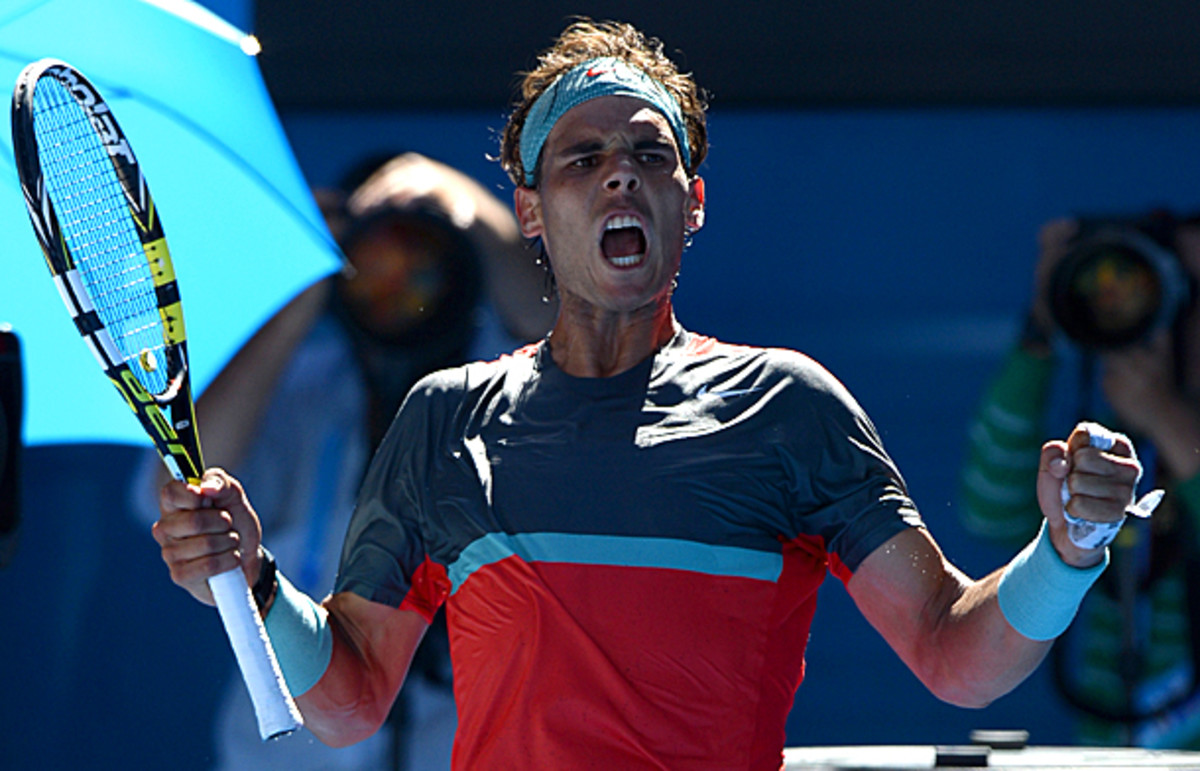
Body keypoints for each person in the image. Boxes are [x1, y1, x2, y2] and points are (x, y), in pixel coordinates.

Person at [152, 19, 1143, 769]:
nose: (620, 176)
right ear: (531, 211)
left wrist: (1071, 549)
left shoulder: (789, 408)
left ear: (692, 200)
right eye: (583, 159)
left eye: (650, 155)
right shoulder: (445, 420)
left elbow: (953, 657)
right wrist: (261, 585)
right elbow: (349, 701)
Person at [137, 151, 554, 770]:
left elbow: (582, 333)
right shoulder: (300, 391)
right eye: (371, 260)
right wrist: (300, 286)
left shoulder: (520, 388)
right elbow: (170, 492)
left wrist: (469, 207)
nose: (397, 279)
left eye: (419, 251)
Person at [960, 212, 1200, 748]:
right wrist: (1041, 329)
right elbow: (990, 508)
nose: (1174, 312)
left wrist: (1165, 413)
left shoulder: (1155, 426)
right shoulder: (1107, 453)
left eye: (1193, 293)